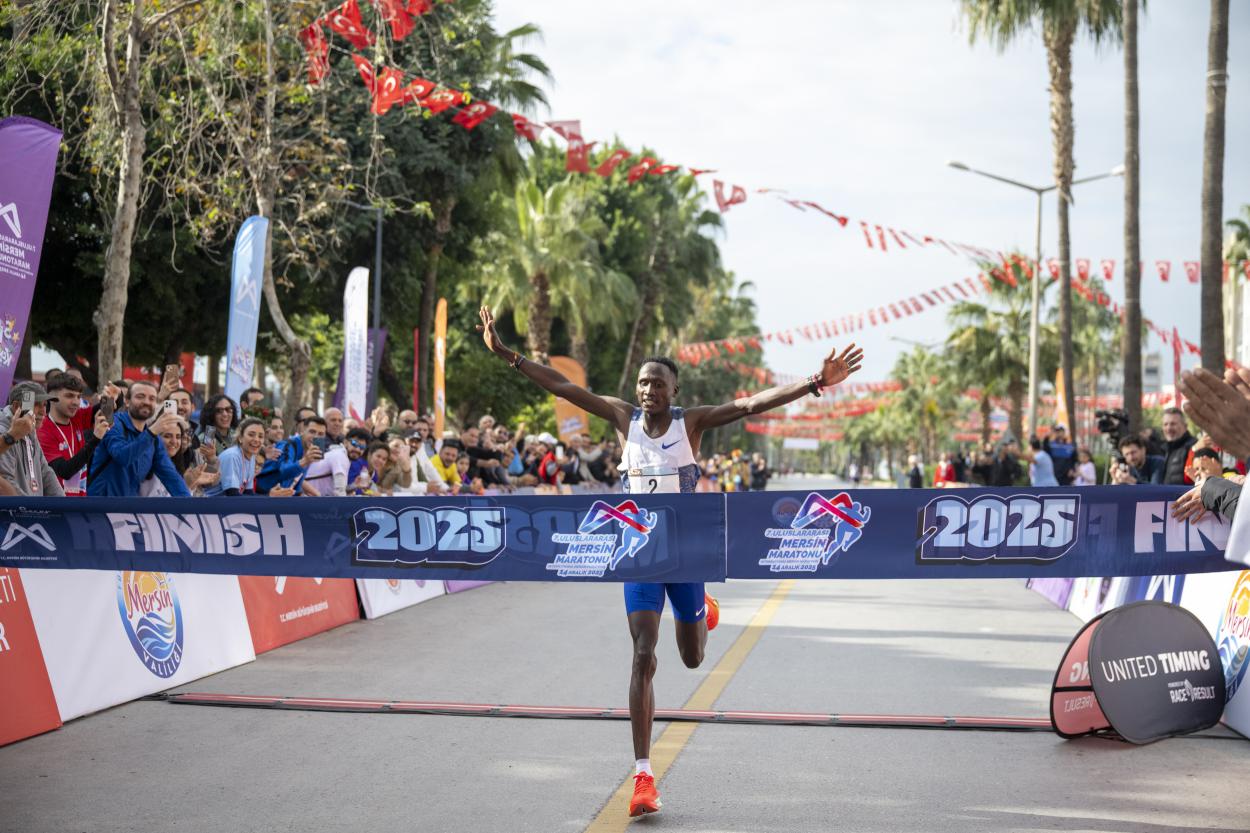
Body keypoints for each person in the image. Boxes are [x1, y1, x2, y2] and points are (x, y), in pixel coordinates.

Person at [477, 304, 863, 818]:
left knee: (693, 657)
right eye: (642, 383)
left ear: (673, 392)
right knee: (642, 654)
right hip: (638, 554)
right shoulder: (622, 418)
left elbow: (751, 404)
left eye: (657, 384)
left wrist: (814, 382)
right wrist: (509, 355)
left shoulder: (692, 424)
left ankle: (702, 607)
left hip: (685, 555)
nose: (646, 391)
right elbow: (563, 388)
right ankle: (643, 777)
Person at [87, 380, 190, 497]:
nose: (146, 402)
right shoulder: (113, 423)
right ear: (126, 401)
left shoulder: (154, 440)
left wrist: (193, 508)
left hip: (128, 509)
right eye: (140, 397)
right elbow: (122, 457)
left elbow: (171, 477)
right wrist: (152, 431)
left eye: (152, 399)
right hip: (99, 507)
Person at [38, 373, 109, 496]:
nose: (76, 402)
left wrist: (112, 396)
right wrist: (95, 438)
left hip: (79, 502)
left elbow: (108, 408)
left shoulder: (77, 417)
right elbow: (65, 471)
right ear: (50, 397)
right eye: (69, 396)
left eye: (78, 396)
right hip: (55, 506)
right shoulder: (42, 431)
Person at [0, 382, 64, 497]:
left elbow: (45, 472)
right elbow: (5, 479)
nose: (43, 411)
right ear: (16, 407)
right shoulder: (3, 432)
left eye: (44, 405)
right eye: (36, 404)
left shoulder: (30, 429)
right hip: (12, 512)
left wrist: (64, 505)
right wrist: (29, 510)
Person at [203, 418, 275, 496]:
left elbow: (248, 492)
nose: (256, 439)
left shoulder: (252, 458)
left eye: (260, 436)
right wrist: (268, 497)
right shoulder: (232, 456)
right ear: (240, 438)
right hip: (210, 503)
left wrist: (270, 497)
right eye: (251, 435)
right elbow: (232, 494)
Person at [255, 415, 325, 495]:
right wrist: (305, 461)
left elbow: (297, 485)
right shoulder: (287, 445)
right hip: (259, 496)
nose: (315, 437)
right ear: (303, 430)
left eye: (321, 434)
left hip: (279, 500)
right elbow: (284, 471)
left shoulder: (308, 451)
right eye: (312, 432)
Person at [1159, 407, 1197, 486]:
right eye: (1165, 424)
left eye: (1173, 424)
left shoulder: (1194, 446)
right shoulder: (1162, 449)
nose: (1168, 428)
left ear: (1185, 426)